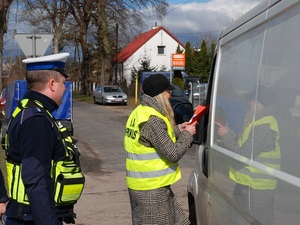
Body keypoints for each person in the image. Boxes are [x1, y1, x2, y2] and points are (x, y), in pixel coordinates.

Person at [3, 53, 84, 225]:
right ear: (52, 84)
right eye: (63, 83)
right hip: (30, 218)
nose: (65, 88)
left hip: (28, 215)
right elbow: (36, 179)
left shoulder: (31, 111)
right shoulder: (36, 121)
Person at [124, 73, 197, 225]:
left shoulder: (141, 112)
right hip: (151, 192)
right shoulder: (152, 119)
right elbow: (172, 153)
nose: (170, 96)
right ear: (160, 95)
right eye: (168, 92)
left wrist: (178, 129)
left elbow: (156, 139)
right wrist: (187, 135)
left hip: (151, 188)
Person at [216, 86, 280, 225]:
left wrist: (226, 136)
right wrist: (228, 132)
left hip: (259, 189)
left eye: (250, 100)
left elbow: (244, 154)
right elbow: (242, 143)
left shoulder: (264, 125)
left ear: (258, 102)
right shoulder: (256, 122)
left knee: (257, 222)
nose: (247, 103)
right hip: (247, 184)